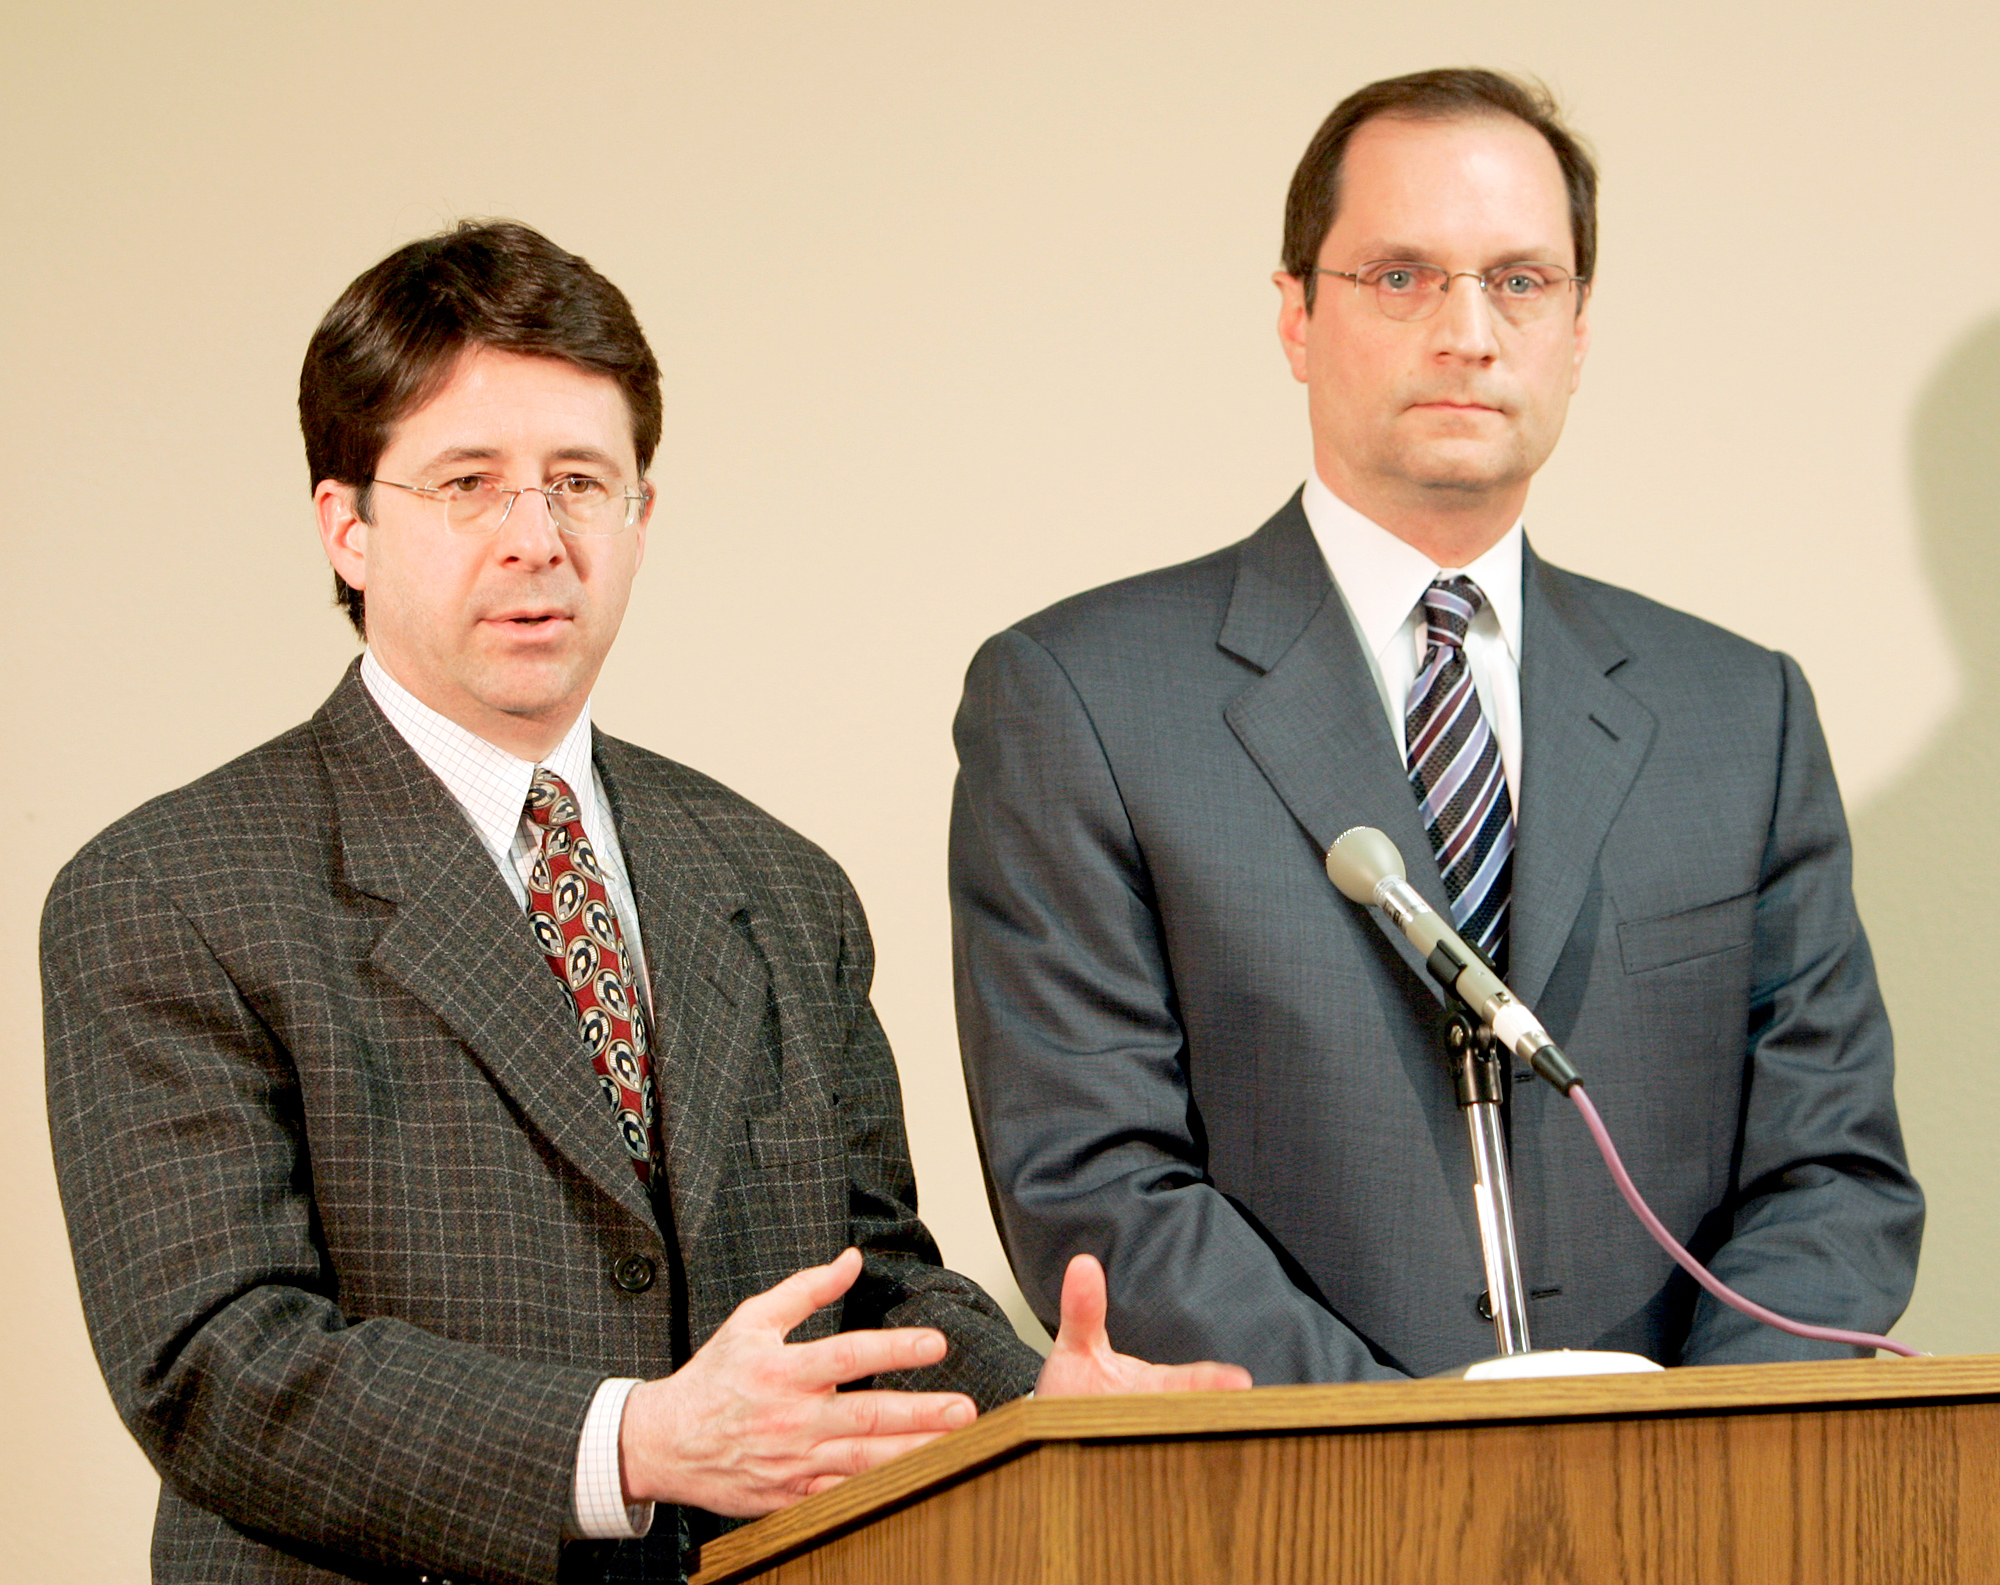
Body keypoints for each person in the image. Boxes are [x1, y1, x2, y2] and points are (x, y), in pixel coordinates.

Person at [42, 221, 1247, 1585]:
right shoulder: (166, 891)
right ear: (348, 527)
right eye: (467, 485)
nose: (536, 540)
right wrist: (630, 1443)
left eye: (579, 482)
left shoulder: (777, 881)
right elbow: (214, 1364)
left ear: (641, 515)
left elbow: (873, 1285)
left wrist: (1036, 1418)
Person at [949, 69, 1923, 1384]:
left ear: (1580, 326)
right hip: (1287, 1512)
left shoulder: (1739, 715)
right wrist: (1414, 1467)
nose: (1468, 331)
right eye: (1401, 277)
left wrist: (1703, 1458)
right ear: (1295, 314)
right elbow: (1098, 1178)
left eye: (1521, 280)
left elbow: (1831, 1164)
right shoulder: (1081, 697)